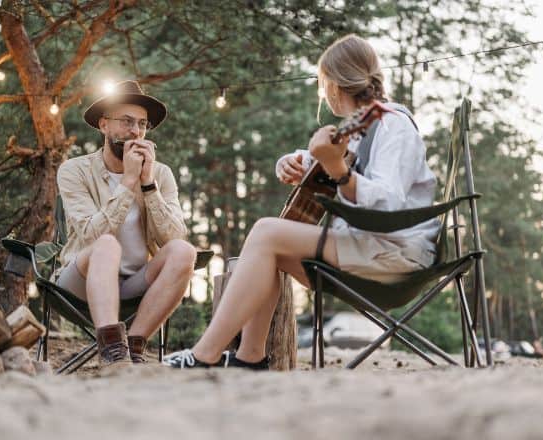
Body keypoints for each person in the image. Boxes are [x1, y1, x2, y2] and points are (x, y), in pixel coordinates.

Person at [163, 34, 440, 369]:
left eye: (323, 85)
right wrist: (292, 161)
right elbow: (333, 161)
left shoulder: (392, 125)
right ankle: (249, 358)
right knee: (270, 245)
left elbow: (388, 203)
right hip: (372, 247)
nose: (323, 93)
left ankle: (204, 354)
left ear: (334, 86)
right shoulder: (362, 126)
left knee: (267, 232)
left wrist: (337, 169)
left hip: (396, 255)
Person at [55, 80, 196, 371]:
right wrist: (128, 182)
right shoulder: (74, 170)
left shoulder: (160, 174)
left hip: (133, 284)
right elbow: (92, 235)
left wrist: (147, 185)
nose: (135, 132)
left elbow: (174, 236)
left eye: (142, 124)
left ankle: (131, 346)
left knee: (184, 251)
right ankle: (112, 352)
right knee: (106, 244)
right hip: (79, 281)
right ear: (104, 125)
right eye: (126, 122)